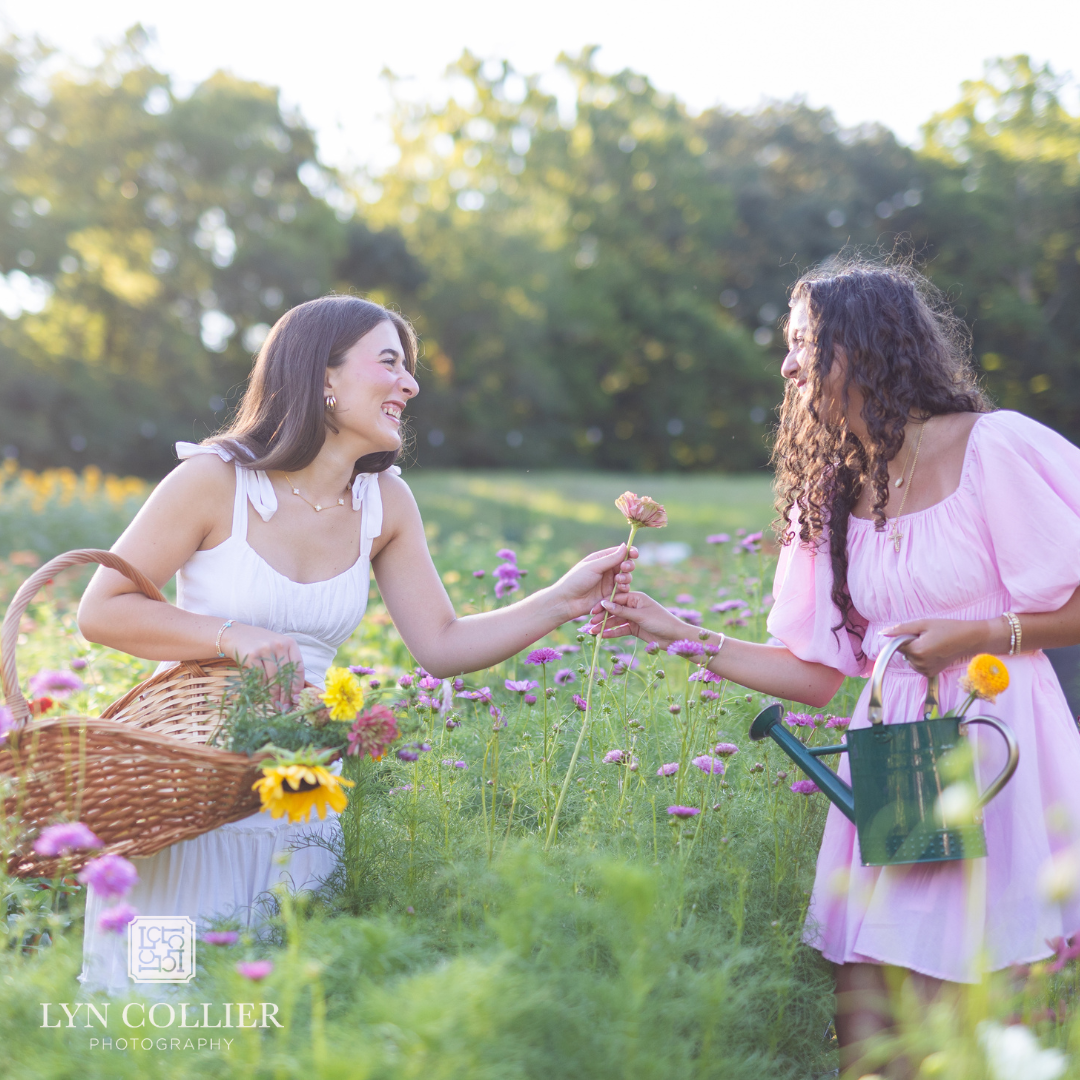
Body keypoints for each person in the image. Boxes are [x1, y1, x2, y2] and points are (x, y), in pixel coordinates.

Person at [590, 260, 1080, 1075]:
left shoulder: (997, 446)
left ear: (866, 346)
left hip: (1004, 751)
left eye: (804, 343)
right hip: (900, 769)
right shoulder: (829, 491)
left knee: (991, 1017)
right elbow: (817, 675)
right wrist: (676, 631)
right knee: (876, 1030)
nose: (787, 364)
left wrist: (978, 634)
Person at [75, 294, 637, 995]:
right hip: (191, 795)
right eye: (390, 362)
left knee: (281, 1011)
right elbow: (101, 611)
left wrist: (565, 598)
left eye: (409, 367)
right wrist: (234, 636)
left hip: (301, 799)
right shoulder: (213, 481)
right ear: (323, 378)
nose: (411, 384)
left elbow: (441, 643)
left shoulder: (386, 504)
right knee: (162, 1011)